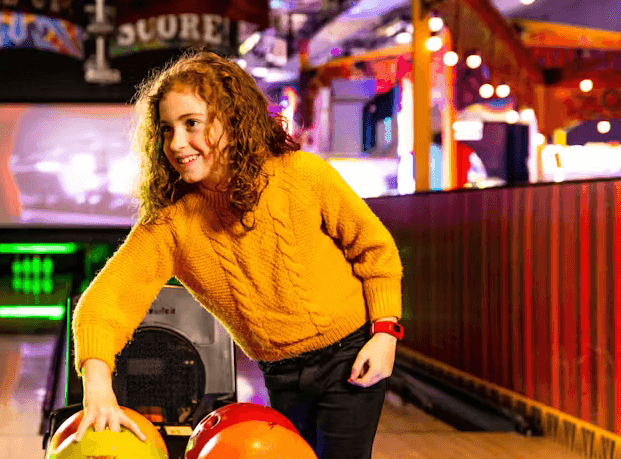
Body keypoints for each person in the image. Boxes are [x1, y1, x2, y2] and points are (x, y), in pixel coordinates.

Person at [70, 50, 404, 459]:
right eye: (167, 129)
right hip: (281, 373)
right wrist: (98, 386)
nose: (177, 144)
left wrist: (386, 333)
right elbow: (103, 304)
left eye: (191, 124)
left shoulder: (303, 174)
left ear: (232, 118)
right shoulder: (171, 224)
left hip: (351, 355)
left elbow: (375, 250)